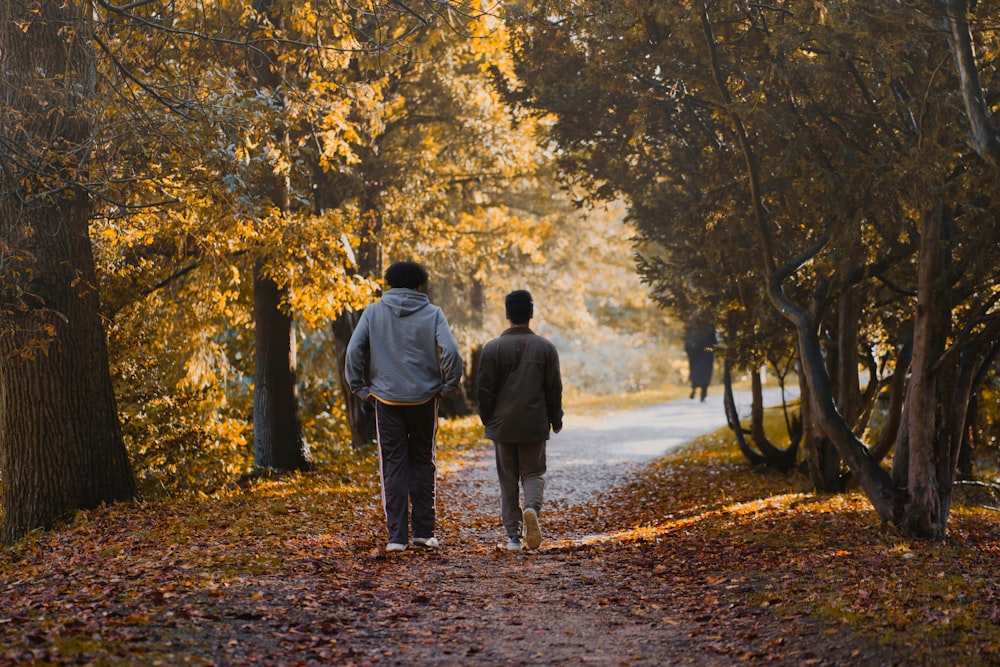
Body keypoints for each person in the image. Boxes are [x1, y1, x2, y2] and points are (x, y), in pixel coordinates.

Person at [345, 260, 463, 553]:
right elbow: (451, 352)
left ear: (390, 284)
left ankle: (396, 537)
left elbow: (353, 351)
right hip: (424, 400)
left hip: (386, 401)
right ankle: (424, 533)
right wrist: (448, 386)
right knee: (423, 461)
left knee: (393, 465)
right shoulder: (433, 313)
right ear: (419, 285)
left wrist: (360, 388)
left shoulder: (372, 313)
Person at [477, 290, 563, 551]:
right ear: (531, 313)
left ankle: (513, 536)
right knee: (533, 473)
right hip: (533, 424)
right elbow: (553, 388)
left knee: (508, 480)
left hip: (502, 426)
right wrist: (555, 418)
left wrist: (488, 419)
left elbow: (484, 389)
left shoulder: (492, 348)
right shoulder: (546, 348)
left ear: (507, 314)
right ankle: (531, 509)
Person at [685, 325, 717, 401]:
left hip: (702, 357)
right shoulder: (694, 330)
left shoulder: (707, 330)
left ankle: (701, 394)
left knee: (699, 376)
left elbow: (713, 346)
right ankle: (698, 392)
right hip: (700, 357)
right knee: (700, 376)